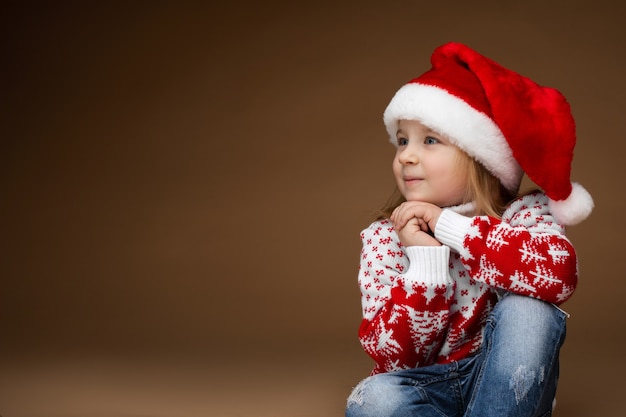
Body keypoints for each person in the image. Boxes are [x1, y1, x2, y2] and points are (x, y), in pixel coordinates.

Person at [345, 42, 594, 417]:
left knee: (531, 311)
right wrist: (425, 260)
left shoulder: (524, 214)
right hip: (427, 385)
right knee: (372, 400)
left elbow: (559, 275)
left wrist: (447, 226)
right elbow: (393, 357)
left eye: (430, 140)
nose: (406, 155)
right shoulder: (385, 238)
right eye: (402, 140)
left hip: (503, 382)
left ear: (481, 158)